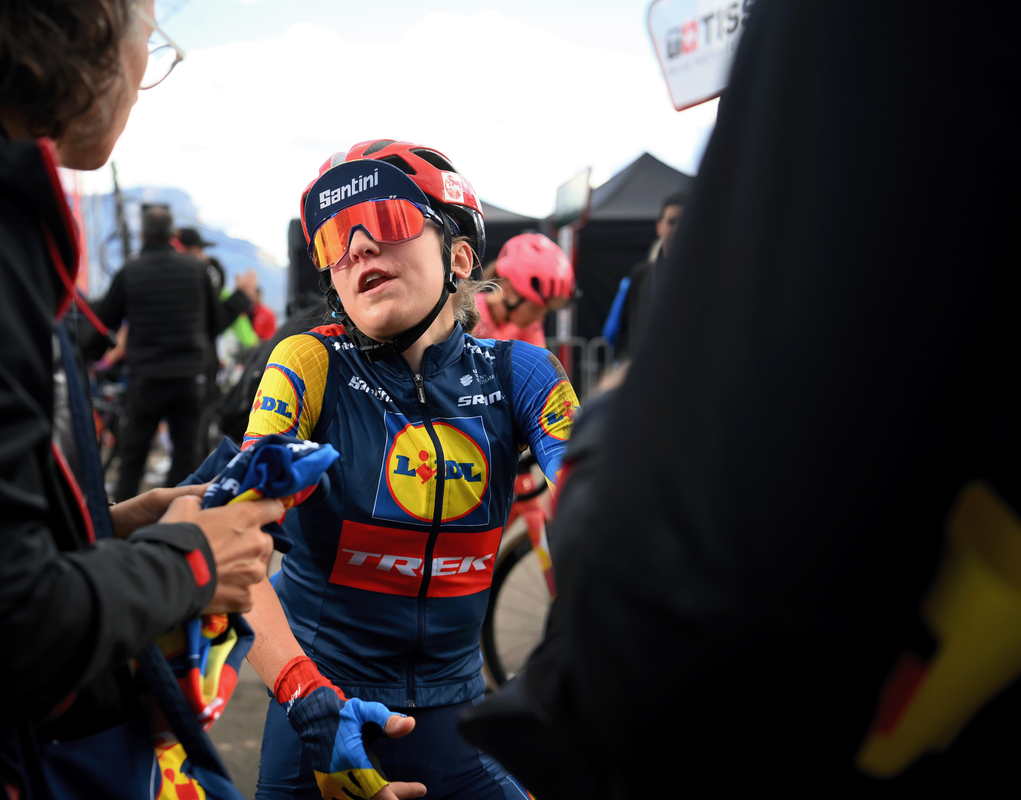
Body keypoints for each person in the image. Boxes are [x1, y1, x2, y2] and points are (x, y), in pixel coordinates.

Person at [459, 0, 1021, 796]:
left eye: (541, 314)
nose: (528, 321)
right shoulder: (468, 323)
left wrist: (597, 434)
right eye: (523, 308)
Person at [0, 1, 280, 795]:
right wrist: (192, 560)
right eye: (151, 33)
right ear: (77, 24)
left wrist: (100, 523)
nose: (147, 69)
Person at [234, 139, 580, 800]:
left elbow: (606, 505)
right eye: (335, 237)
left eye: (387, 219)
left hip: (453, 714)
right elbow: (232, 555)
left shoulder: (523, 374)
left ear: (458, 257)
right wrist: (309, 702)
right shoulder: (309, 364)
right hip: (319, 714)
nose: (358, 246)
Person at [92, 206, 258, 500]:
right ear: (172, 236)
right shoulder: (196, 270)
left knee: (132, 458)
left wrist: (86, 357)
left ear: (143, 235)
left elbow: (104, 325)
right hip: (188, 381)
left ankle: (119, 522)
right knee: (186, 458)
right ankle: (176, 527)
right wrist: (242, 296)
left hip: (146, 381)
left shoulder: (130, 272)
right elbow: (214, 325)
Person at [601, 190, 686, 358]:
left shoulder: (709, 279)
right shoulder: (641, 275)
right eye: (672, 222)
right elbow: (620, 330)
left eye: (684, 222)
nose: (677, 229)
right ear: (659, 227)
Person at [472, 232, 575, 347]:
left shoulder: (527, 326)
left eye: (544, 311)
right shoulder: (468, 315)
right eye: (534, 309)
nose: (539, 320)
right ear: (509, 291)